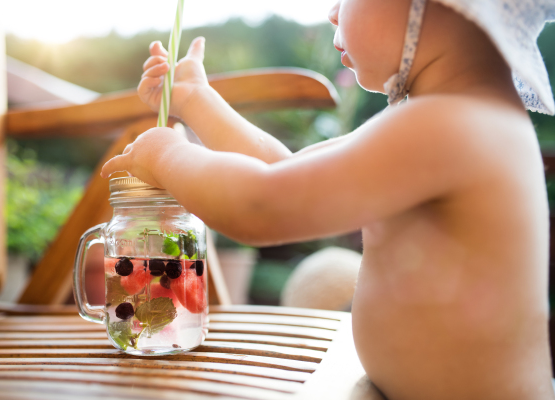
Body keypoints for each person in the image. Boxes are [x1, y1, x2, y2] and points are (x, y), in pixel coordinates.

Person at [101, 0, 555, 398]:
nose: (332, 10)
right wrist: (196, 99)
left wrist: (167, 154)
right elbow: (286, 172)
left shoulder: (456, 123)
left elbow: (263, 205)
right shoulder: (443, 112)